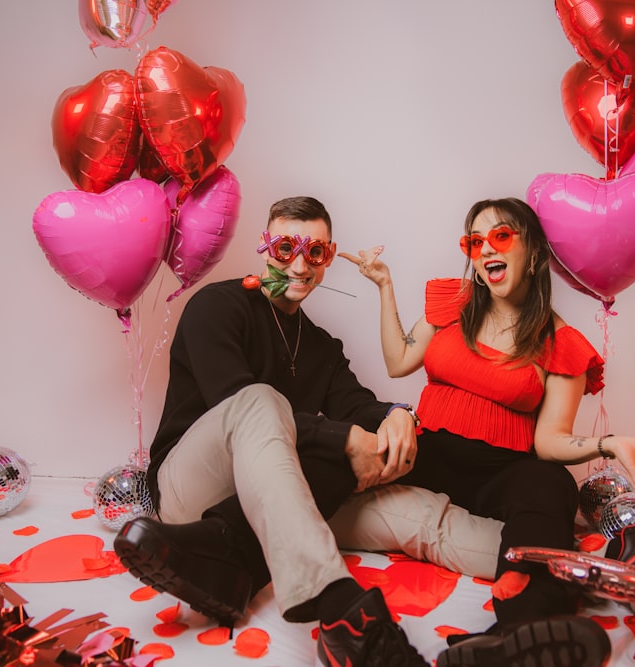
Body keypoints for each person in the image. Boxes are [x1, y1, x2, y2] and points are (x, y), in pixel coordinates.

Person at [113, 196, 501, 667]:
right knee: (260, 401)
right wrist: (342, 440)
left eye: (314, 253)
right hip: (189, 491)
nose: (299, 265)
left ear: (329, 258)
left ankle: (545, 570)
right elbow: (230, 399)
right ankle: (339, 609)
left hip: (278, 498)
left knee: (417, 510)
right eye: (284, 248)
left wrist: (397, 414)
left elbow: (356, 404)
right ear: (264, 248)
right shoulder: (217, 305)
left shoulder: (319, 345)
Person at [339, 197, 635, 667]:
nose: (485, 249)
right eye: (474, 241)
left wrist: (612, 443)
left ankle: (520, 634)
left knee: (551, 485)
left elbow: (549, 442)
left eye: (501, 236)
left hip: (503, 471)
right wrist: (384, 287)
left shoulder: (560, 343)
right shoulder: (452, 302)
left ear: (535, 253)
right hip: (432, 450)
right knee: (347, 447)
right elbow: (399, 362)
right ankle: (622, 560)